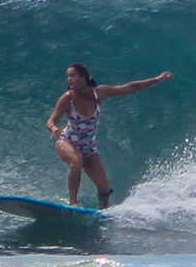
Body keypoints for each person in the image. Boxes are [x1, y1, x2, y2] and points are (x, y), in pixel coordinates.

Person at [46, 63, 172, 208]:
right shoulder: (68, 98)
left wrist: (158, 79)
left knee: (104, 189)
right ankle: (73, 202)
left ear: (83, 77)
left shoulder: (99, 93)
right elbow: (50, 121)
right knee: (76, 161)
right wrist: (54, 128)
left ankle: (103, 209)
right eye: (68, 76)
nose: (69, 79)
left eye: (72, 75)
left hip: (88, 146)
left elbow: (132, 87)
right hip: (67, 141)